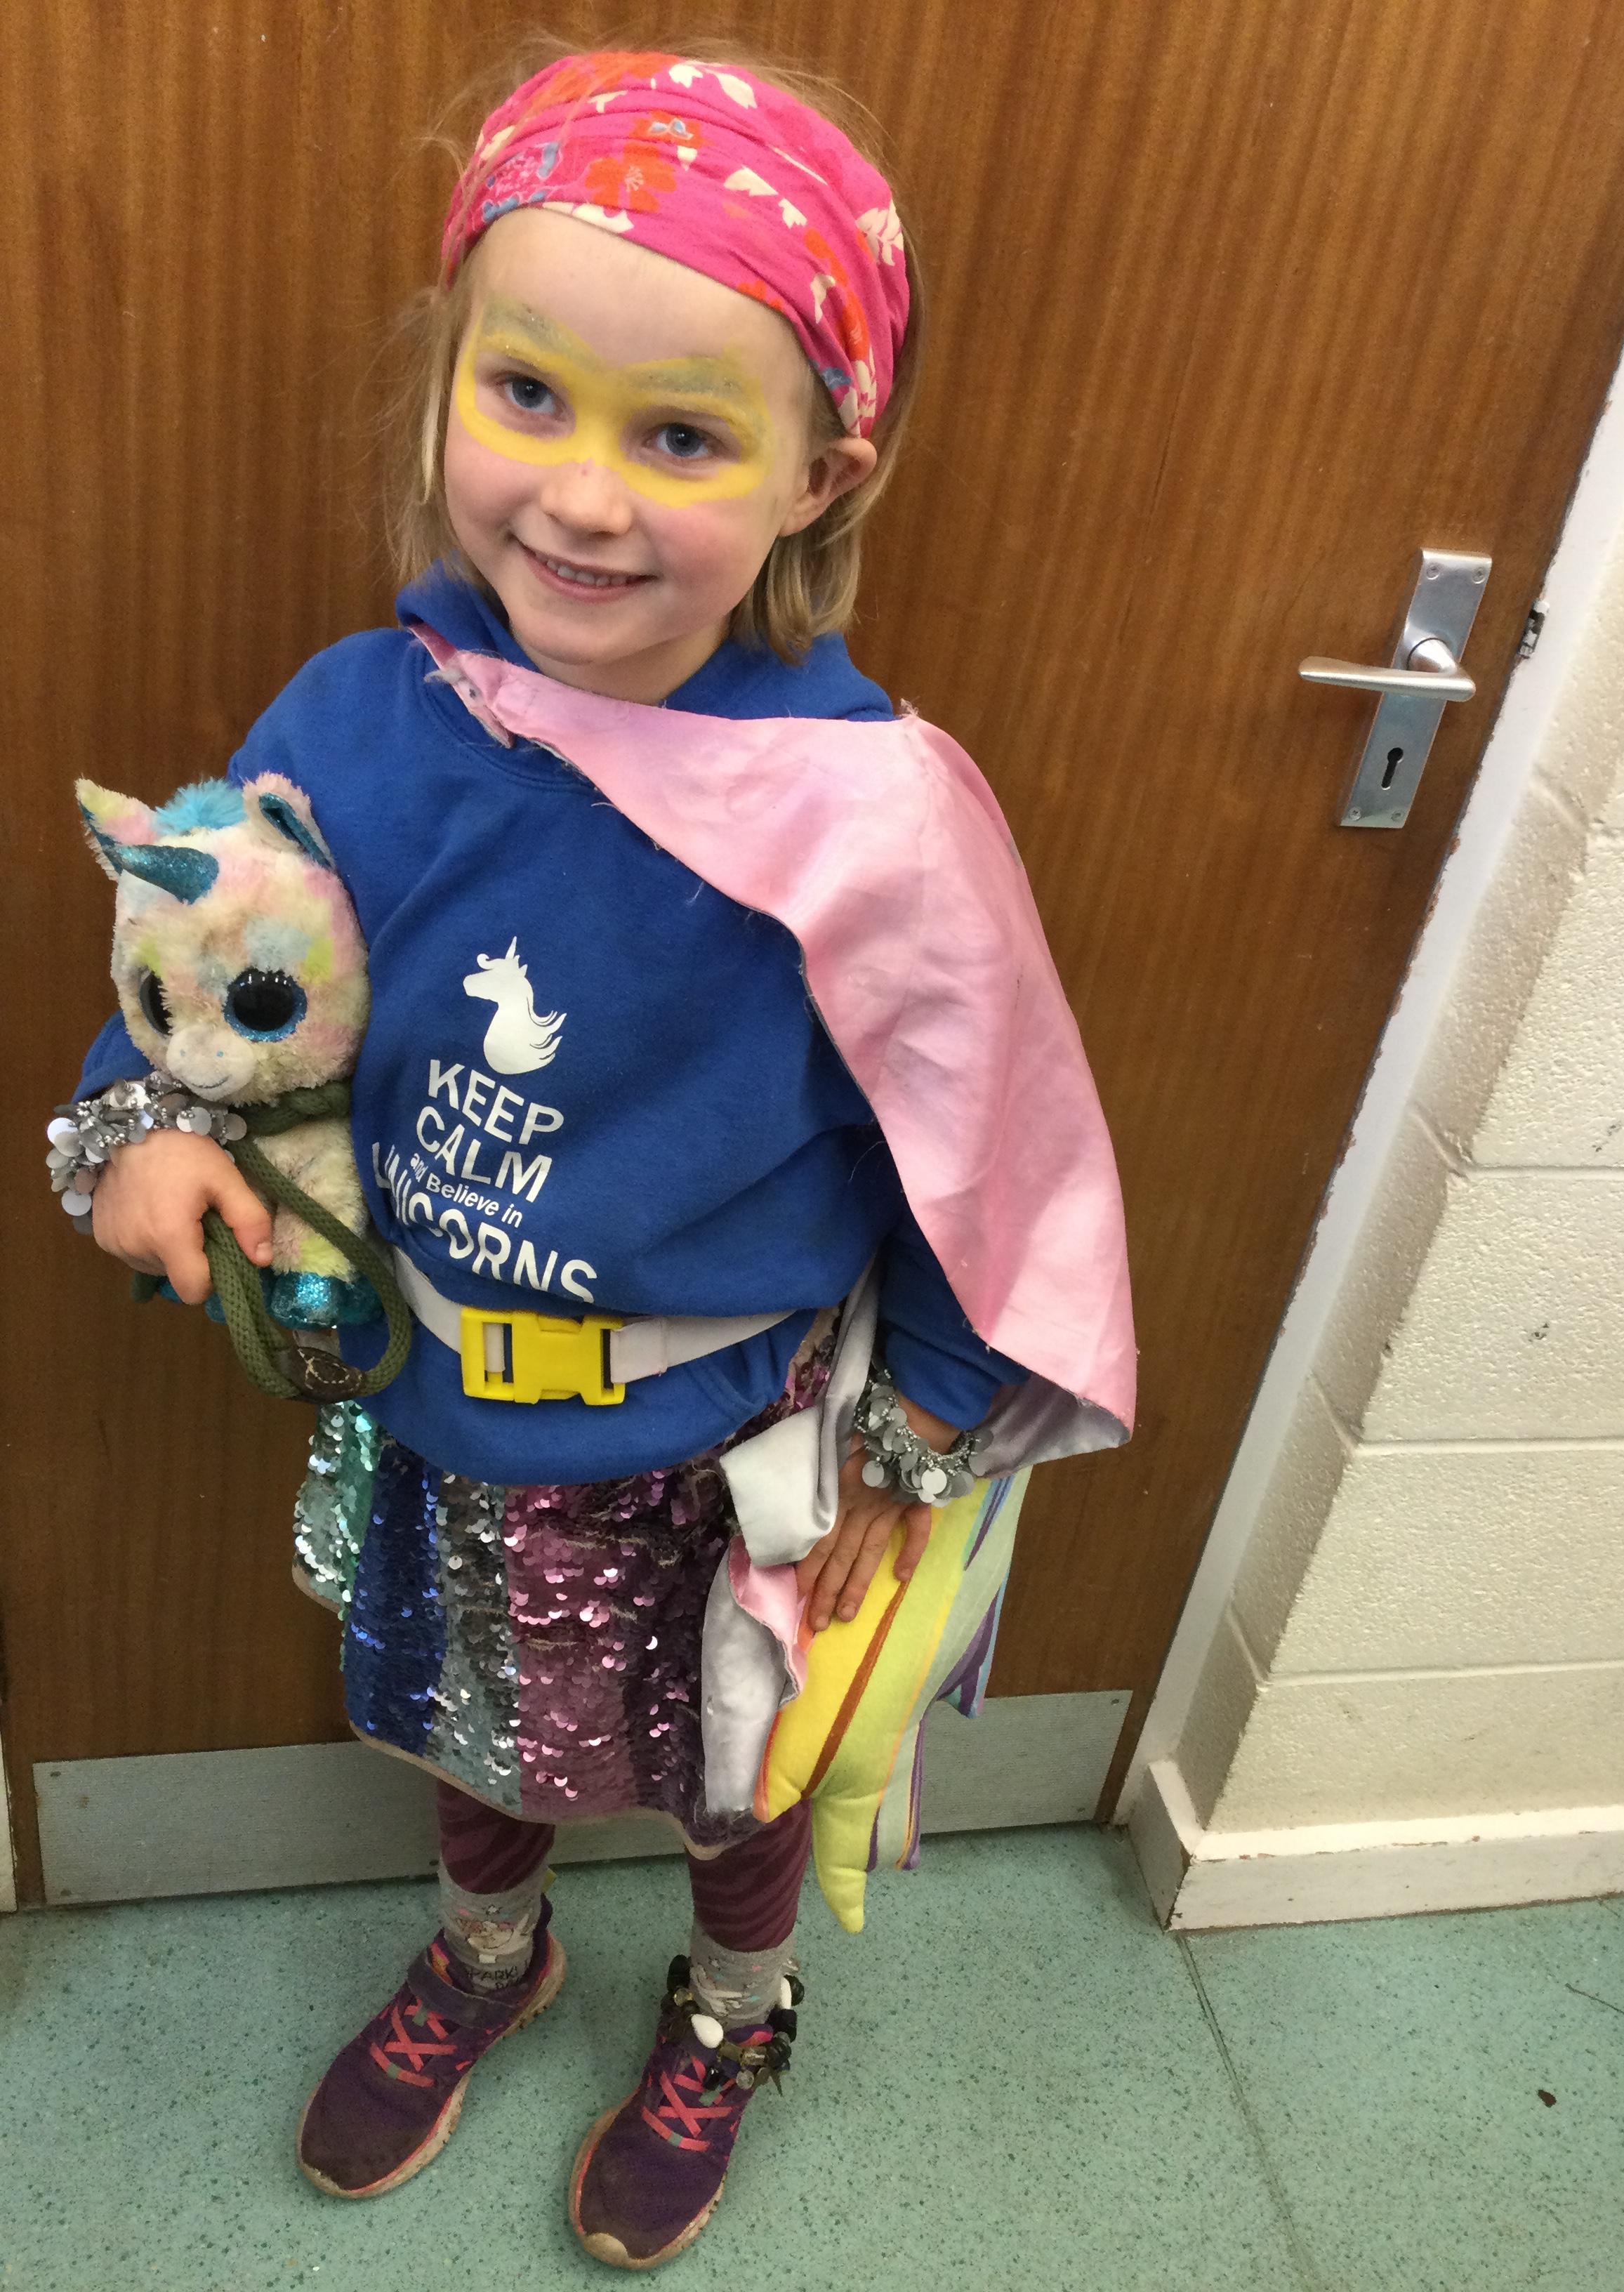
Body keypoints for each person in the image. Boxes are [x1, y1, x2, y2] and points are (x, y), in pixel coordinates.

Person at [69, 44, 1134, 2270]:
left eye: (682, 438)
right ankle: (495, 1945)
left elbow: (988, 1160)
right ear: (448, 376)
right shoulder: (363, 714)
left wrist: (921, 1445)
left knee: (742, 1772)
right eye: (528, 395)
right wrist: (148, 1124)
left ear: (822, 473)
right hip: (436, 1408)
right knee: (466, 1730)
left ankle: (738, 2001)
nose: (581, 498)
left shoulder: (872, 825)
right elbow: (222, 961)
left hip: (717, 1453)